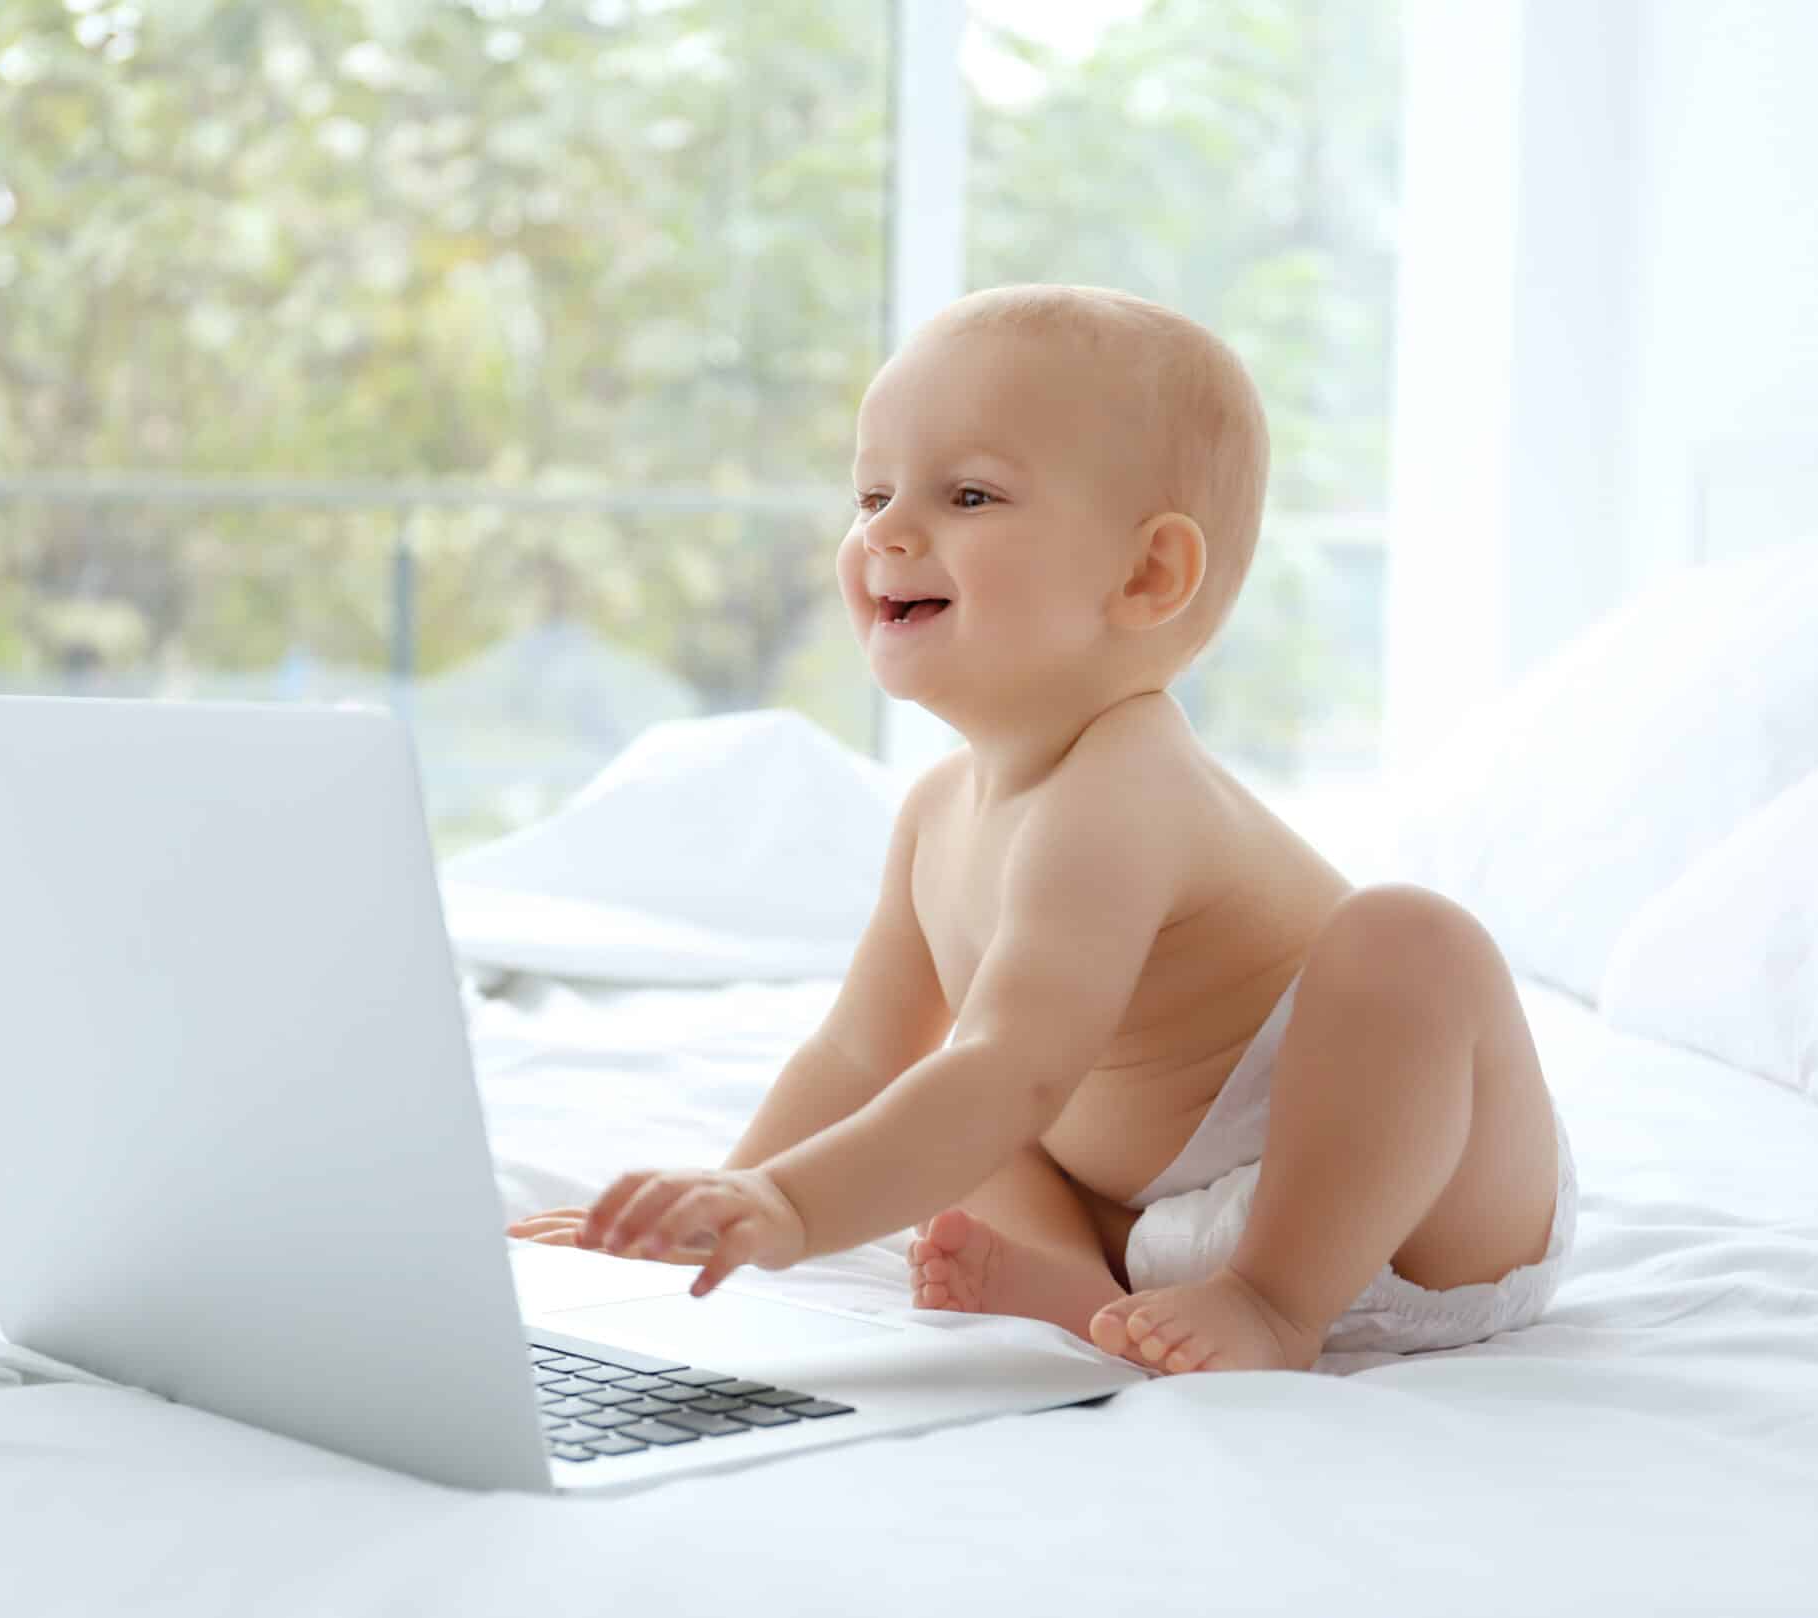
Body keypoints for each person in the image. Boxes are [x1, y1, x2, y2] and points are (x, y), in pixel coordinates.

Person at [506, 285, 1575, 1375]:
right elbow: (860, 1053)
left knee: (1411, 940)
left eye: (968, 495)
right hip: (1152, 1233)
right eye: (872, 493)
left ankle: (1274, 1308)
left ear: (1147, 574)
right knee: (937, 1110)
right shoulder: (936, 812)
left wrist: (794, 1205)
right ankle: (1073, 1281)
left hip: (1408, 1206)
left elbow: (1014, 1068)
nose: (886, 531)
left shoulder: (1128, 781)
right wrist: (726, 1205)